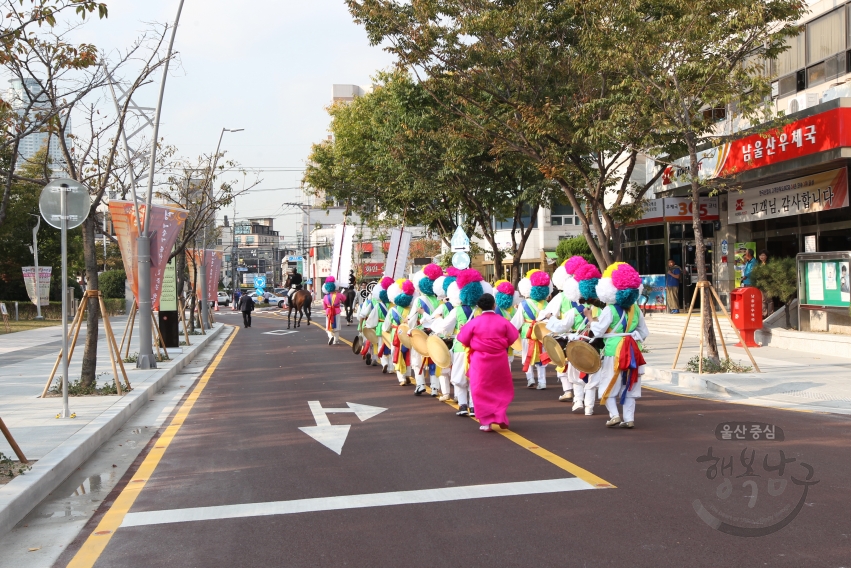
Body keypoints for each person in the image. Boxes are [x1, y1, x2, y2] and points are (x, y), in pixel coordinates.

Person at [589, 262, 649, 429]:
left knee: (608, 383)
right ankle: (629, 418)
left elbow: (599, 331)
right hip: (633, 350)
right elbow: (644, 332)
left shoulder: (609, 309)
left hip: (613, 351)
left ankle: (614, 415)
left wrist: (591, 321)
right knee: (630, 384)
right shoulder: (636, 309)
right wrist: (633, 336)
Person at [457, 293, 520, 432]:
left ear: (479, 307)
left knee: (480, 389)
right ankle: (500, 416)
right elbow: (513, 336)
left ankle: (486, 422)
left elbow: (463, 338)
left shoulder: (474, 322)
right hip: (499, 359)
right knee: (500, 388)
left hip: (480, 360)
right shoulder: (502, 321)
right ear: (494, 305)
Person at [546, 262, 602, 414]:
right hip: (597, 345)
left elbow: (562, 326)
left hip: (576, 344)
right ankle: (589, 407)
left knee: (575, 372)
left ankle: (578, 400)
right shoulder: (603, 308)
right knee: (593, 373)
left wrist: (550, 318)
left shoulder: (573, 310)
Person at [539, 255, 589, 402]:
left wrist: (549, 318)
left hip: (568, 335)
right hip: (590, 336)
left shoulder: (562, 297)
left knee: (562, 363)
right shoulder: (592, 296)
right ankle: (586, 395)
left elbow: (547, 314)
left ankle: (570, 392)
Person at [510, 269, 552, 390]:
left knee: (526, 356)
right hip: (542, 335)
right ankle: (542, 382)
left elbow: (516, 322)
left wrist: (508, 333)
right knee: (542, 358)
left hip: (527, 334)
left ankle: (530, 379)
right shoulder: (547, 304)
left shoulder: (524, 304)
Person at [407, 264, 443, 396]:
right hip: (436, 333)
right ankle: (434, 387)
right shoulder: (441, 301)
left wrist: (410, 330)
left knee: (417, 359)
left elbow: (412, 319)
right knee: (434, 358)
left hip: (421, 333)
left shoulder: (419, 300)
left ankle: (420, 384)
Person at [322, 276, 343, 345]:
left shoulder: (325, 297)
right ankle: (336, 340)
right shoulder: (339, 295)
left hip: (328, 312)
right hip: (336, 312)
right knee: (337, 326)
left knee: (328, 326)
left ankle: (330, 336)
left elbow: (324, 306)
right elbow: (344, 298)